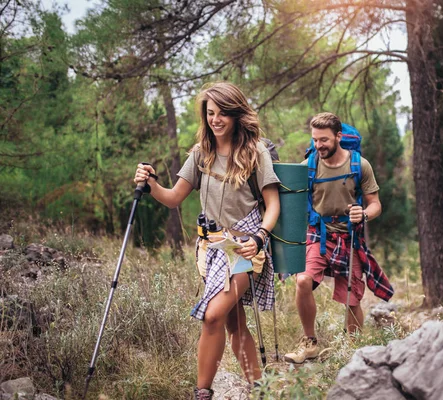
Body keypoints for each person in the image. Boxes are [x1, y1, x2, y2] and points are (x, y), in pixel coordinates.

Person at [133, 82, 280, 400]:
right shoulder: (201, 153)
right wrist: (150, 183)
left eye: (223, 113)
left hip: (243, 247)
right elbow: (173, 198)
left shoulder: (256, 152)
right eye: (211, 113)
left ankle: (202, 393)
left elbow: (273, 205)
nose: (216, 119)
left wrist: (259, 237)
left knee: (214, 314)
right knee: (233, 323)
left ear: (237, 115)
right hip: (210, 251)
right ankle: (259, 389)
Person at [283, 112, 394, 364]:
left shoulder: (359, 165)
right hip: (318, 234)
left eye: (324, 140)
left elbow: (376, 204)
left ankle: (352, 350)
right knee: (302, 281)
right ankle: (309, 342)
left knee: (352, 297)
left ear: (338, 137)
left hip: (349, 237)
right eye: (315, 140)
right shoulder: (309, 165)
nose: (318, 145)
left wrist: (363, 214)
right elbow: (286, 194)